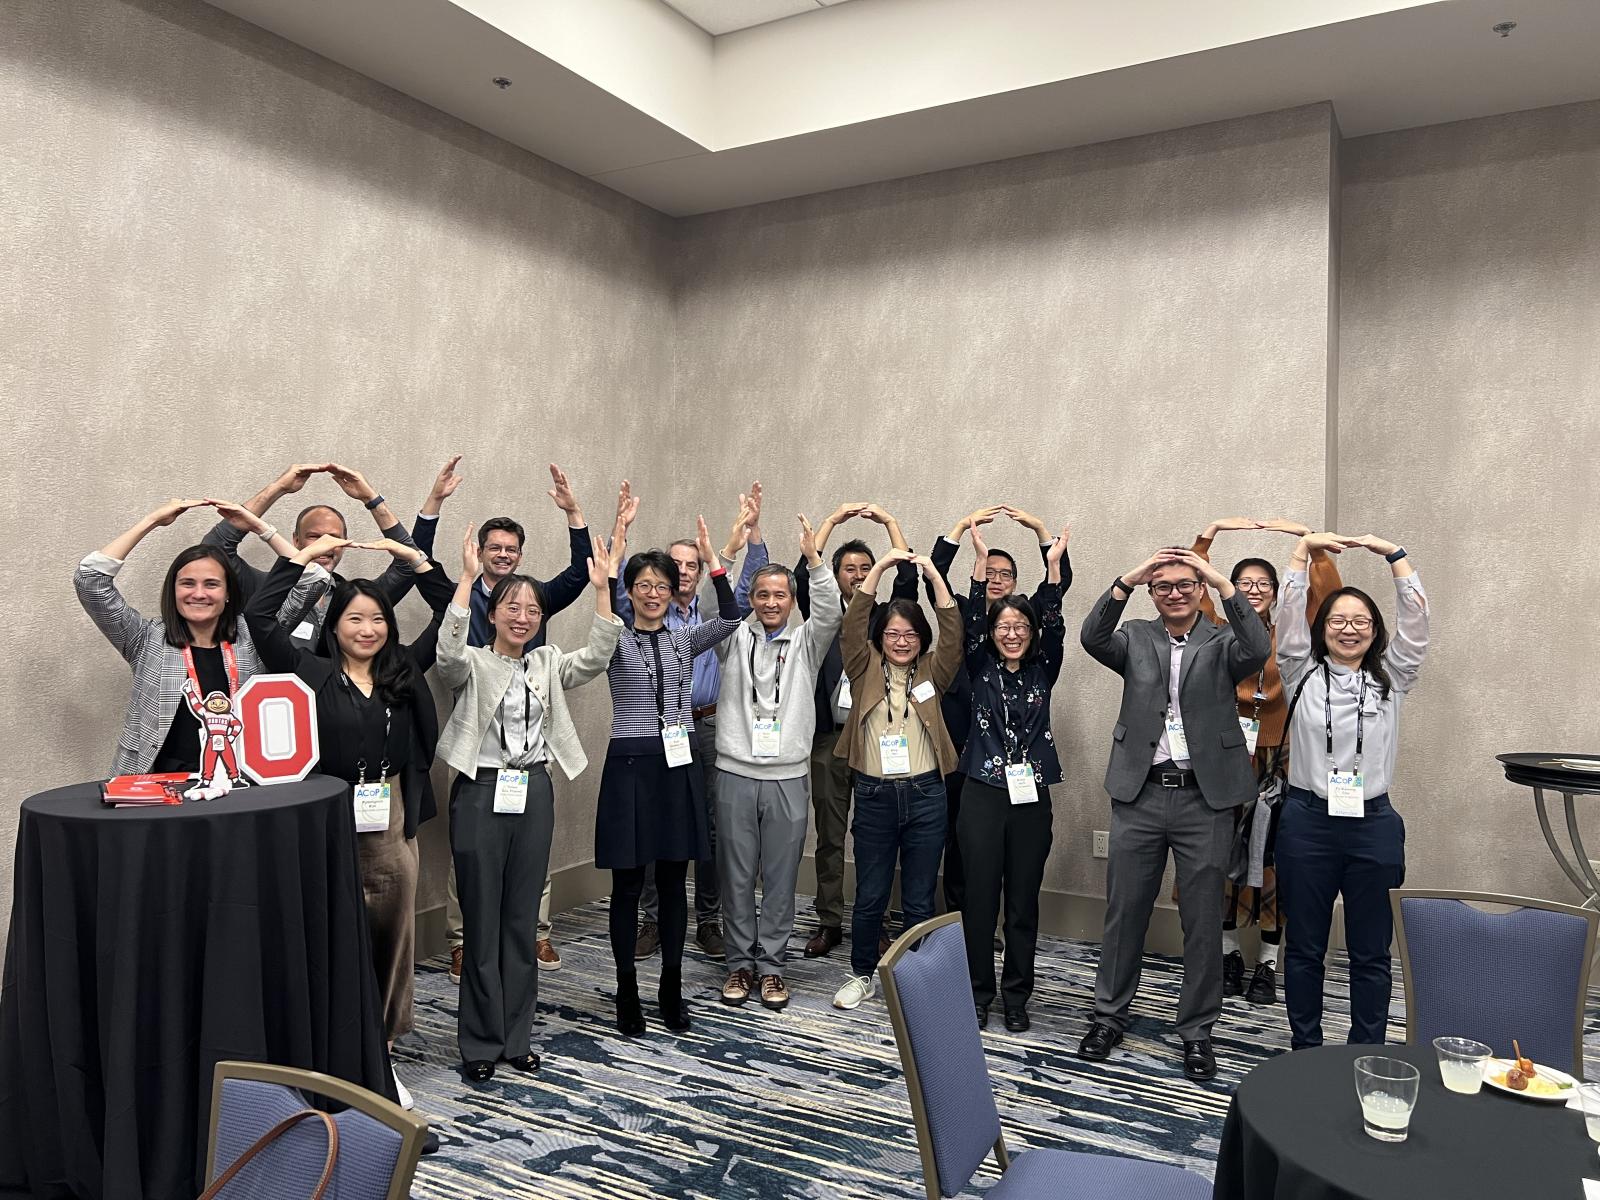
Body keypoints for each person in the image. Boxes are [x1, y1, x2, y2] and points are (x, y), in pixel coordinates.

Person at [241, 525, 454, 1109]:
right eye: (355, 619)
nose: (368, 629)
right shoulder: (308, 673)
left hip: (389, 821)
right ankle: (328, 1054)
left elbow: (453, 614)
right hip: (326, 822)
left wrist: (416, 560)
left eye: (378, 619)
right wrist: (302, 559)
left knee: (391, 939)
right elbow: (262, 620)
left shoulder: (403, 670)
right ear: (336, 625)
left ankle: (379, 1053)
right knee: (331, 938)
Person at [434, 525, 622, 1081]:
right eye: (512, 606)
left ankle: (517, 1037)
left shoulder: (546, 663)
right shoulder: (471, 661)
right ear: (492, 614)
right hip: (480, 791)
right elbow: (445, 657)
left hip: (534, 789)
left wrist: (603, 592)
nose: (523, 616)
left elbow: (595, 658)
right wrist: (466, 581)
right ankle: (479, 1043)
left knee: (522, 922)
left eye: (533, 609)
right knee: (482, 920)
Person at [1077, 546, 1270, 1081]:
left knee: (1202, 921)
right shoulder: (1136, 636)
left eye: (1186, 584)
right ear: (1152, 593)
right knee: (1124, 912)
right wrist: (1128, 577)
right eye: (1163, 586)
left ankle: (1197, 1031)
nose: (1175, 592)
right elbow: (1092, 636)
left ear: (1201, 589)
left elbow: (1258, 646)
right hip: (1139, 793)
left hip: (1202, 799)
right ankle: (1109, 1016)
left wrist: (1220, 580)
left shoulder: (1223, 639)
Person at [406, 457, 596, 980]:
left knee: (533, 844)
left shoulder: (533, 598)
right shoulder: (459, 592)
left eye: (512, 551)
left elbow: (582, 573)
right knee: (469, 850)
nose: (504, 557)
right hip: (476, 742)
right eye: (496, 549)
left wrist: (573, 513)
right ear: (482, 554)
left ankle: (534, 934)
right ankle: (462, 940)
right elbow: (415, 559)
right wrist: (435, 503)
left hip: (528, 743)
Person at [1274, 532, 1427, 1051]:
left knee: (1370, 952)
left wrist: (1395, 556)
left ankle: (1366, 1051)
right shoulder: (1300, 673)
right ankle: (1306, 1051)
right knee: (1305, 948)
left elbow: (1418, 626)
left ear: (1375, 631)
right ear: (1322, 630)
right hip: (1308, 823)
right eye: (1338, 620)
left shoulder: (1393, 678)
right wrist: (1302, 554)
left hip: (1373, 827)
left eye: (1361, 621)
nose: (1349, 629)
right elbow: (1288, 616)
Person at [599, 512, 745, 1036]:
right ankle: (626, 989)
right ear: (631, 592)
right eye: (643, 586)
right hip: (631, 765)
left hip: (677, 764)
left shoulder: (685, 639)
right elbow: (607, 598)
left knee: (672, 879)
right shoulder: (615, 638)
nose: (653, 593)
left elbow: (732, 618)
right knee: (628, 885)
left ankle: (671, 987)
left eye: (661, 585)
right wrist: (615, 550)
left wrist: (715, 563)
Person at [1190, 517, 1343, 1007]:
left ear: (1277, 592)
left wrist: (1307, 540)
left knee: (1277, 860)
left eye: (1263, 584)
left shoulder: (1295, 636)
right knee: (1222, 854)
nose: (1253, 590)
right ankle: (1230, 953)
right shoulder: (1216, 629)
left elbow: (1329, 595)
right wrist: (1209, 534)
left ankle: (1269, 962)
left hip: (1284, 756)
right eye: (1244, 584)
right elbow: (1194, 582)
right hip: (1227, 753)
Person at [612, 483, 768, 963]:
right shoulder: (641, 612)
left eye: (690, 564)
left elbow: (742, 596)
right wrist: (620, 531)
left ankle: (707, 919)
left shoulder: (703, 620)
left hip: (707, 729)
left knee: (709, 828)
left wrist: (747, 534)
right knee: (655, 827)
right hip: (648, 738)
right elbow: (614, 585)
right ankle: (654, 919)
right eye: (673, 565)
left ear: (700, 572)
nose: (681, 573)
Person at [75, 498, 316, 776]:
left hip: (241, 785)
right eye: (187, 583)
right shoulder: (146, 638)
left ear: (228, 593)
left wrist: (259, 527)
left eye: (211, 584)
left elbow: (312, 582)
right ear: (173, 590)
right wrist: (151, 521)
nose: (199, 594)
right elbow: (90, 579)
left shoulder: (254, 635)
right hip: (157, 788)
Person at [712, 514, 842, 1010]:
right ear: (751, 599)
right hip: (736, 774)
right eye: (762, 595)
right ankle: (739, 965)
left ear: (792, 601)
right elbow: (713, 603)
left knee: (782, 877)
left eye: (780, 596)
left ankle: (771, 967)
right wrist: (726, 551)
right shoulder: (732, 637)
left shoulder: (808, 643)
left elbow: (829, 612)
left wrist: (814, 561)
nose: (770, 603)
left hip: (788, 776)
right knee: (738, 875)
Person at [830, 549, 961, 1012]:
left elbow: (953, 632)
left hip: (927, 795)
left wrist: (932, 574)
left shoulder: (932, 671)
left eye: (909, 634)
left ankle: (916, 981)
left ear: (918, 639)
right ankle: (862, 974)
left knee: (921, 900)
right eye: (892, 633)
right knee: (869, 896)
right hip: (874, 795)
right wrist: (880, 570)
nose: (901, 641)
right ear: (880, 637)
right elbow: (850, 626)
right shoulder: (862, 667)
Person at [956, 522, 1070, 1032]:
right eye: (1003, 625)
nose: (1011, 632)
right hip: (981, 792)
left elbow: (1054, 617)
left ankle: (1017, 995)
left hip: (1031, 796)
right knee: (979, 900)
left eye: (1020, 625)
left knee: (1022, 901)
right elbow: (973, 622)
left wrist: (1051, 566)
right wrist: (980, 571)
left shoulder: (1046, 668)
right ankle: (978, 992)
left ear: (1031, 631)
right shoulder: (978, 665)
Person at [792, 502, 917, 960]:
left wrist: (888, 523)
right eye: (850, 568)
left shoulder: (888, 619)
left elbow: (908, 575)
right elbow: (803, 571)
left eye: (866, 568)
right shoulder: (820, 612)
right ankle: (828, 921)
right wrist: (831, 523)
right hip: (828, 739)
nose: (857, 574)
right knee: (829, 835)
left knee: (874, 837)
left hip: (875, 741)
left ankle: (876, 921)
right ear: (837, 573)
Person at [929, 505, 1067, 916]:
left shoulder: (1039, 662)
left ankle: (1004, 930)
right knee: (962, 850)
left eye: (1003, 573)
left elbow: (1054, 613)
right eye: (988, 573)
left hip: (1024, 774)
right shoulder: (976, 647)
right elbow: (963, 615)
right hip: (969, 756)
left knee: (1019, 872)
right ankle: (964, 923)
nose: (995, 578)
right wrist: (971, 550)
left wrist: (1045, 537)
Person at [202, 462, 423, 647]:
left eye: (333, 537)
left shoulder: (357, 599)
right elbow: (213, 552)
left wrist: (372, 499)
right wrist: (278, 488)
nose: (325, 545)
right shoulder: (262, 588)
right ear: (295, 540)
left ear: (345, 544)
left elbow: (410, 561)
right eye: (314, 537)